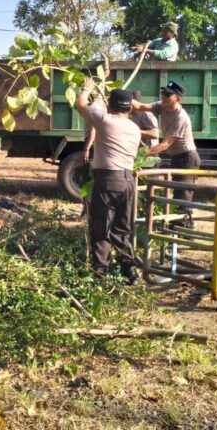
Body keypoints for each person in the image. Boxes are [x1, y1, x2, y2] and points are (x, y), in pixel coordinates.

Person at [75, 80, 141, 283]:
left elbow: (80, 104)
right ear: (130, 108)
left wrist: (87, 88)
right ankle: (129, 271)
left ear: (110, 105)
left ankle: (99, 274)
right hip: (128, 181)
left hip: (108, 180)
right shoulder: (134, 128)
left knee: (101, 227)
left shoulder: (104, 121)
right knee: (122, 228)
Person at [130, 80, 200, 227]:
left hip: (187, 158)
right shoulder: (162, 105)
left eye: (168, 94)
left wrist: (142, 155)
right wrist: (122, 97)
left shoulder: (180, 117)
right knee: (177, 191)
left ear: (178, 99)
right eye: (163, 92)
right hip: (177, 156)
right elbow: (140, 106)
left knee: (183, 195)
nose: (163, 95)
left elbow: (165, 144)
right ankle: (177, 226)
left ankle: (184, 230)